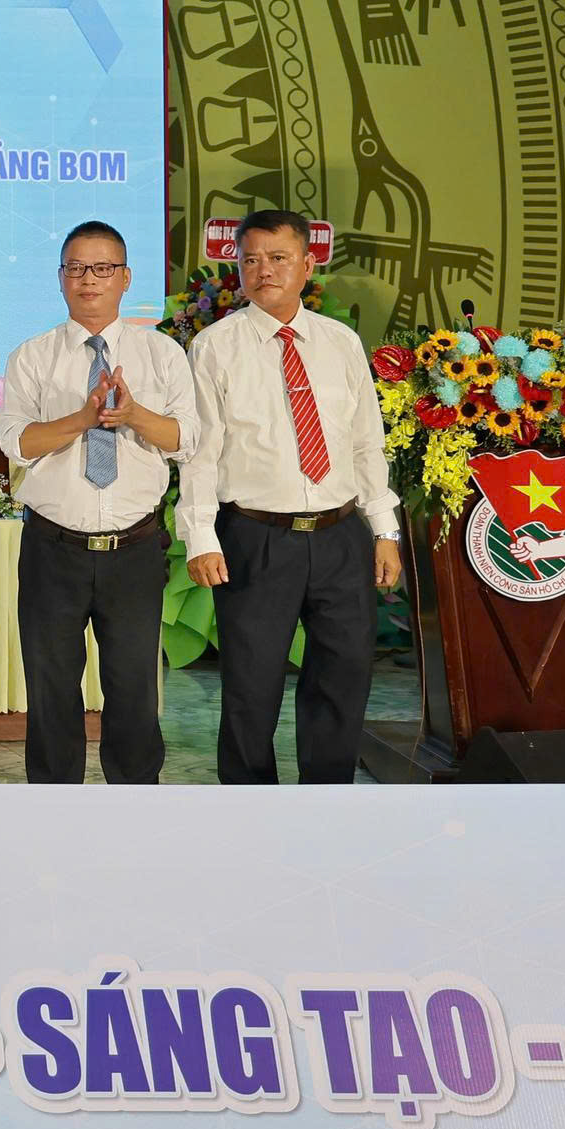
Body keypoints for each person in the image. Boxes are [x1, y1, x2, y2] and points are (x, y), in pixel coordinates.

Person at [179, 208, 403, 784]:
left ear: (307, 264)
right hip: (255, 536)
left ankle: (325, 801)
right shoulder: (214, 347)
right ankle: (249, 806)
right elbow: (200, 452)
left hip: (340, 535)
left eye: (278, 258)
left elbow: (366, 443)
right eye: (250, 260)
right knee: (250, 685)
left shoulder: (340, 343)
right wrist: (200, 535)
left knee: (342, 677)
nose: (264, 271)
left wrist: (384, 530)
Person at [0, 220, 195, 784]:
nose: (89, 279)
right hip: (52, 548)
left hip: (133, 549)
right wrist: (83, 419)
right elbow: (17, 442)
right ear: (60, 277)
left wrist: (133, 414)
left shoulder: (162, 354)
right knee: (51, 688)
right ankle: (54, 807)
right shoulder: (32, 356)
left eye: (103, 268)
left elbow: (187, 439)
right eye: (77, 268)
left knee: (133, 691)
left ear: (125, 278)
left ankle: (134, 805)